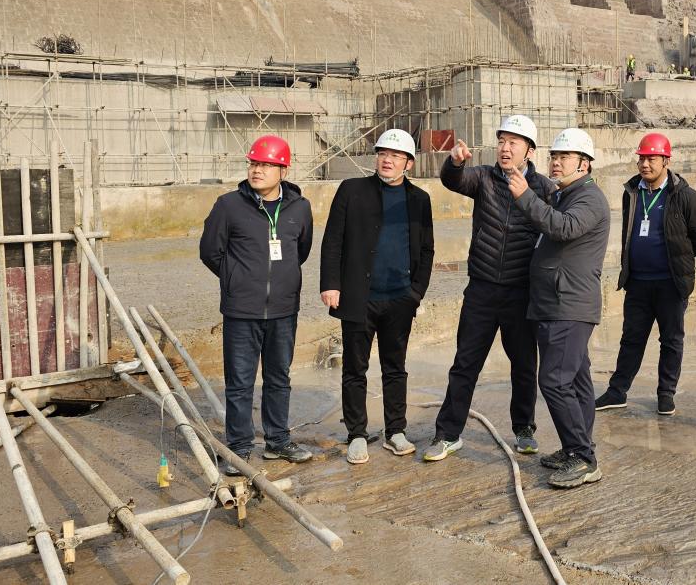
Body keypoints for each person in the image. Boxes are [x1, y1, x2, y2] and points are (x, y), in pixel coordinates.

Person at [423, 115, 556, 463]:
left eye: (513, 142)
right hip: (481, 289)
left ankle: (524, 428)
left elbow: (557, 227)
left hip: (521, 292)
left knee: (524, 364)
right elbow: (454, 180)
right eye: (501, 141)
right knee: (465, 363)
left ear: (529, 150)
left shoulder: (543, 188)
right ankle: (447, 434)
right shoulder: (483, 177)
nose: (505, 148)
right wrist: (454, 163)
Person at [199, 135, 314, 475]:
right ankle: (239, 447)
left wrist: (281, 281)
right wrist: (237, 278)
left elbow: (301, 250)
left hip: (283, 309)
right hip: (241, 311)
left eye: (265, 164)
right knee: (240, 382)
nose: (257, 170)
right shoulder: (228, 206)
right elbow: (210, 252)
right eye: (253, 163)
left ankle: (277, 441)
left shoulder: (300, 208)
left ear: (283, 170)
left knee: (279, 378)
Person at [320, 129, 434, 465]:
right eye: (383, 153)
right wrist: (331, 284)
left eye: (396, 156)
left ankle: (395, 431)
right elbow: (333, 240)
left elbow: (426, 249)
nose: (387, 160)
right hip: (359, 297)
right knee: (355, 368)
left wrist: (415, 293)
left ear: (408, 163)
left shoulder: (419, 199)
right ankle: (356, 434)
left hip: (399, 298)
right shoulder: (352, 190)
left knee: (395, 368)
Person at [507, 128, 611, 488]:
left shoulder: (589, 199)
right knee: (577, 381)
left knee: (554, 380)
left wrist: (525, 197)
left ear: (584, 164)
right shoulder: (565, 195)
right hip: (554, 303)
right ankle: (576, 448)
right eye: (554, 156)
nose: (556, 162)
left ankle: (583, 458)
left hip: (569, 305)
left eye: (564, 156)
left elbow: (564, 228)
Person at [596, 133, 696, 416]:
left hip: (671, 283)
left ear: (666, 161)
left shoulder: (685, 196)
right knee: (631, 338)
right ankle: (617, 391)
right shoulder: (632, 192)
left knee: (671, 340)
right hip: (638, 282)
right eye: (642, 158)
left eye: (651, 159)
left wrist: (678, 261)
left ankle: (666, 394)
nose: (645, 164)